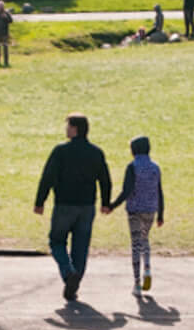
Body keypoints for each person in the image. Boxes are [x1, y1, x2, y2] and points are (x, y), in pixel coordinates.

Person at [34, 114, 112, 302]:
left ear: (75, 129)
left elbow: (48, 176)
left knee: (56, 241)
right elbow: (105, 179)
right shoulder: (96, 152)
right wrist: (105, 202)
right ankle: (75, 281)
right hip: (87, 206)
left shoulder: (61, 151)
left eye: (68, 126)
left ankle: (69, 273)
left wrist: (40, 201)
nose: (66, 129)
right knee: (81, 246)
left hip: (64, 204)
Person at [105, 134, 164, 293]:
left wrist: (112, 206)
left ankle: (137, 282)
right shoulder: (155, 167)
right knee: (145, 239)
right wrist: (161, 214)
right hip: (151, 209)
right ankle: (148, 269)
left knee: (135, 245)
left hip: (134, 210)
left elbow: (127, 191)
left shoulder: (132, 167)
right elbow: (159, 191)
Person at [0, 2, 14, 67]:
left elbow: (11, 21)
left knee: (5, 48)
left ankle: (6, 62)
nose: (0, 7)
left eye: (2, 6)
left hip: (5, 33)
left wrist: (6, 17)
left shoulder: (7, 13)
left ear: (4, 6)